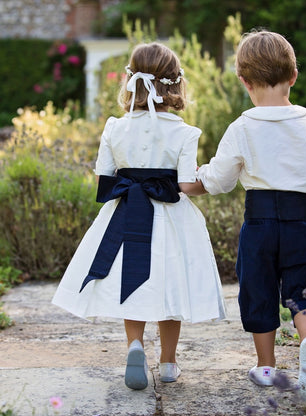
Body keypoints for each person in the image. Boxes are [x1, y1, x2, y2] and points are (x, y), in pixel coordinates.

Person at [52, 42, 226, 390]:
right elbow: (186, 184)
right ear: (174, 84)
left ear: (130, 79)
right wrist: (206, 181)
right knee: (170, 288)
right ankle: (168, 363)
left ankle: (135, 345)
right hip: (172, 219)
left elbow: (104, 175)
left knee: (133, 283)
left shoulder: (115, 127)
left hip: (127, 212)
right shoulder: (184, 131)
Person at [188, 30, 306, 401]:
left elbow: (221, 177)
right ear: (293, 76)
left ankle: (266, 365)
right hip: (302, 221)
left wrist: (197, 177)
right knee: (305, 289)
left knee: (257, 290)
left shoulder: (242, 127)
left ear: (244, 81)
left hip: (258, 223)